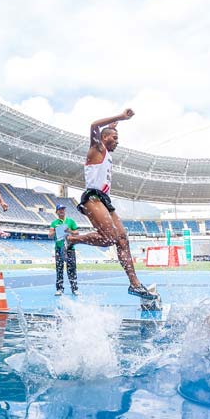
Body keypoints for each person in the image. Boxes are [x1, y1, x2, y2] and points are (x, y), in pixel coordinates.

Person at [66, 109, 157, 300]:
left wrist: (113, 126)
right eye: (114, 138)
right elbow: (94, 125)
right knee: (109, 239)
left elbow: (105, 131)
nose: (117, 141)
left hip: (105, 200)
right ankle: (73, 239)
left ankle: (135, 284)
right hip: (93, 197)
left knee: (122, 239)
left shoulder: (106, 152)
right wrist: (120, 117)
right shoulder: (97, 149)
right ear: (104, 138)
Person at [48, 203, 79, 296]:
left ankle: (74, 289)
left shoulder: (71, 221)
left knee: (72, 269)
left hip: (70, 248)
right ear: (56, 212)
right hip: (59, 248)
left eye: (63, 209)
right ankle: (59, 289)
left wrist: (69, 231)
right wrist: (55, 230)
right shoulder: (54, 223)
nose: (62, 211)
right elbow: (49, 235)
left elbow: (77, 233)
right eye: (60, 209)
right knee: (59, 269)